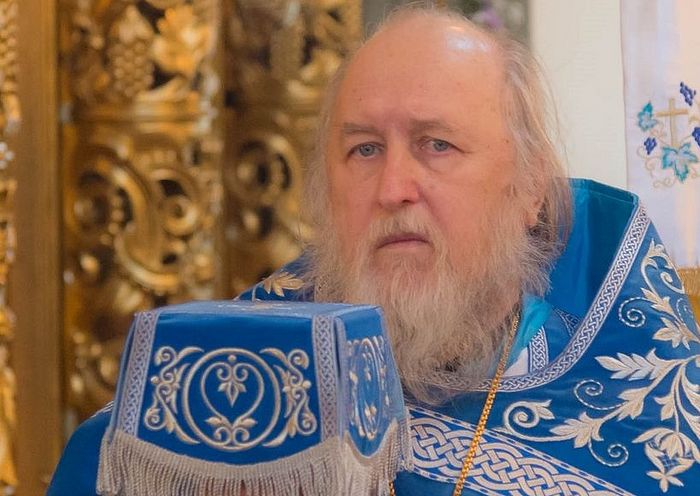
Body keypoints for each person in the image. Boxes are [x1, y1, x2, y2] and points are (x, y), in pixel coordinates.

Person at [49, 5, 700, 495]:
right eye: (363, 149)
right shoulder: (227, 396)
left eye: (436, 145)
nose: (392, 189)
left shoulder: (640, 413)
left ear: (530, 189)